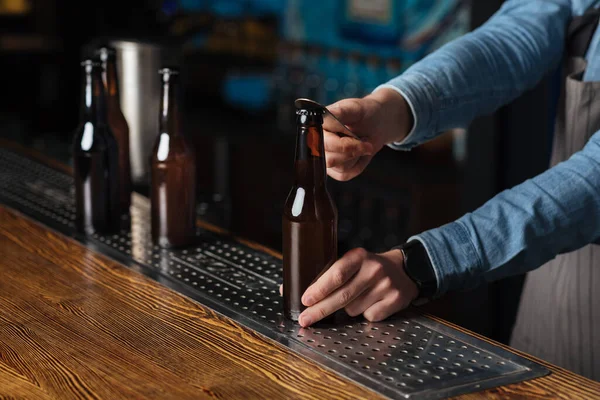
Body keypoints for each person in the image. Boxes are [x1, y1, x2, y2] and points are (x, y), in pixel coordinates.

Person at [289, 0, 600, 381]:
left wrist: (423, 262)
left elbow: (594, 181)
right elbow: (515, 35)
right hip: (556, 273)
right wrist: (389, 107)